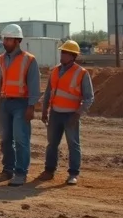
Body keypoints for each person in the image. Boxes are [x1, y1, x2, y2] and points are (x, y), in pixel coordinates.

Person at [0, 23, 41, 187]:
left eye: (8, 39)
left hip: (21, 103)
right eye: (4, 39)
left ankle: (21, 173)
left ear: (17, 41)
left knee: (21, 139)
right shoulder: (0, 60)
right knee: (5, 139)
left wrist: (31, 106)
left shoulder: (29, 60)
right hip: (4, 103)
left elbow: (34, 85)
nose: (4, 42)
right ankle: (7, 170)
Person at [37, 40, 93, 185]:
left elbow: (89, 98)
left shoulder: (82, 73)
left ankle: (73, 173)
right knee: (52, 144)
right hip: (55, 113)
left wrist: (78, 114)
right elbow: (48, 92)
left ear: (73, 56)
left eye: (65, 53)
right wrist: (45, 110)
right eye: (62, 52)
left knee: (73, 144)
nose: (62, 55)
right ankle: (49, 170)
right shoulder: (55, 71)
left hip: (71, 115)